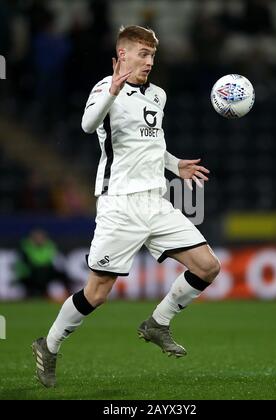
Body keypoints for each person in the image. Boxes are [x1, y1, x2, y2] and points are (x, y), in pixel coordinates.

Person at [32, 25, 220, 388]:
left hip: (156, 201)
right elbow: (87, 126)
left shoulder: (158, 95)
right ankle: (49, 344)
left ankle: (157, 323)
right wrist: (114, 89)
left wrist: (175, 164)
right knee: (97, 293)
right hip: (120, 205)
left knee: (208, 267)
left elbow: (149, 145)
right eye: (142, 54)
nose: (149, 61)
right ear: (122, 57)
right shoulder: (106, 88)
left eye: (152, 55)